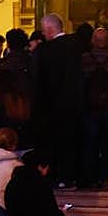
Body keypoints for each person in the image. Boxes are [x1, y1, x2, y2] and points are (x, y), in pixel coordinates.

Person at [33, 13, 84, 188]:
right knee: (72, 142)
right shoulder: (77, 47)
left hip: (50, 109)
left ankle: (57, 177)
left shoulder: (44, 51)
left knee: (54, 144)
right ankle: (72, 177)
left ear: (48, 29)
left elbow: (37, 81)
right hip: (75, 106)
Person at [80, 27, 108, 190]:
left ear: (93, 41)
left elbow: (81, 84)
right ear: (107, 42)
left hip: (90, 109)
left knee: (90, 146)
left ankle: (89, 180)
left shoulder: (84, 60)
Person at [0, 29, 33, 143]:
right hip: (29, 113)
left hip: (7, 113)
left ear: (8, 44)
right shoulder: (32, 62)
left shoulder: (2, 66)